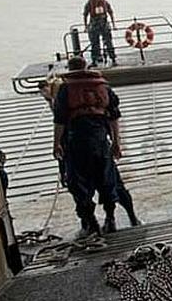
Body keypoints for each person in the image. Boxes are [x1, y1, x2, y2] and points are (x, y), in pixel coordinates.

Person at [40, 76, 140, 231]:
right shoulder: (98, 99)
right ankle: (119, 218)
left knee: (80, 190)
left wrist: (57, 151)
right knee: (112, 185)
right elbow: (113, 119)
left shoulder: (64, 102)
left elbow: (59, 125)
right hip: (100, 147)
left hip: (75, 151)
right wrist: (116, 143)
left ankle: (91, 223)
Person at [52, 56, 124, 235]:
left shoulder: (65, 89)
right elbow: (114, 116)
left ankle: (91, 222)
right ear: (86, 67)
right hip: (101, 141)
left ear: (69, 69)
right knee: (107, 180)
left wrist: (56, 144)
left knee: (78, 183)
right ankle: (110, 219)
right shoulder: (103, 87)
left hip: (76, 142)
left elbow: (59, 120)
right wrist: (116, 142)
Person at [82, 0, 117, 68]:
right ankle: (95, 60)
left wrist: (113, 24)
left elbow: (111, 12)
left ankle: (113, 58)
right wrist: (85, 26)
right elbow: (85, 14)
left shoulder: (105, 2)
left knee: (109, 42)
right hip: (94, 25)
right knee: (94, 43)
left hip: (104, 24)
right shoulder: (90, 3)